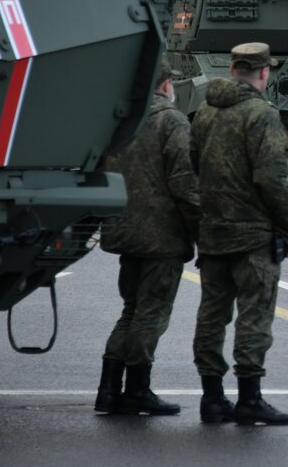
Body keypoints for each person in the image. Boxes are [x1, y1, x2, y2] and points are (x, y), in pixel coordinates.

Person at [192, 42, 288, 426]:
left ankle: (212, 397)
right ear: (264, 73)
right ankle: (250, 398)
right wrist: (287, 224)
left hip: (213, 231)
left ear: (233, 69)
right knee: (254, 316)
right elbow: (272, 178)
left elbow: (193, 168)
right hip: (253, 234)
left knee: (211, 316)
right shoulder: (261, 115)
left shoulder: (204, 113)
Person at [96, 57, 200, 416]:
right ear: (167, 83)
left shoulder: (119, 121)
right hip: (162, 237)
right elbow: (186, 185)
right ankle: (137, 389)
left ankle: (108, 389)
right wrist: (201, 231)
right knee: (151, 314)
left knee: (130, 310)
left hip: (125, 232)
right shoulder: (172, 121)